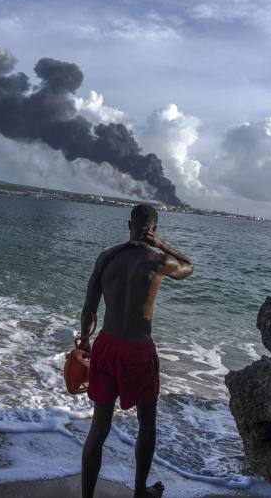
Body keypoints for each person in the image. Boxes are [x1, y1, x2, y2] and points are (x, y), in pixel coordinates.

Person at [79, 204, 194, 498]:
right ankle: (140, 492)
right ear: (153, 229)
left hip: (106, 346)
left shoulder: (107, 257)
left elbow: (89, 307)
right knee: (147, 423)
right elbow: (188, 267)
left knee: (99, 427)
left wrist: (84, 342)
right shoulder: (158, 261)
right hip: (138, 353)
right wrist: (161, 243)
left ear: (128, 223)